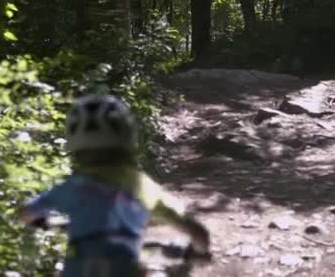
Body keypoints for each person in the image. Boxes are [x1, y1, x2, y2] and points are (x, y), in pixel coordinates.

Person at [16, 94, 210, 276]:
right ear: (129, 138)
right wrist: (199, 254)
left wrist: (50, 224)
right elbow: (198, 232)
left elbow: (25, 214)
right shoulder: (143, 186)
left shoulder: (73, 187)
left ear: (74, 145)